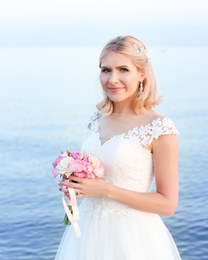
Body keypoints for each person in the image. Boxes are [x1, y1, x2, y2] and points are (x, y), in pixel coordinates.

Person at [55, 36, 182, 259]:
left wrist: (104, 189)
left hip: (133, 237)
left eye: (123, 69)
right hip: (88, 230)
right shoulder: (97, 119)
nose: (113, 79)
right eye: (106, 70)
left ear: (141, 73)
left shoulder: (160, 128)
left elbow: (168, 204)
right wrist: (77, 184)